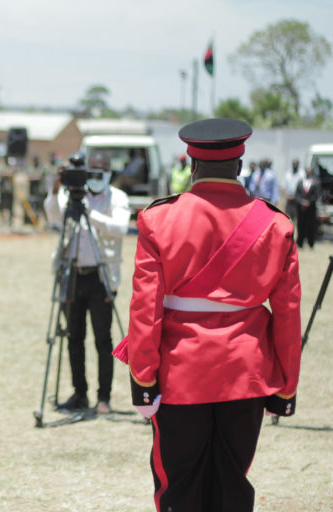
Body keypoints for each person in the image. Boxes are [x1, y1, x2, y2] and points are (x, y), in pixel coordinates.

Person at [121, 118, 301, 512]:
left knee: (179, 488)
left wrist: (143, 377)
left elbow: (145, 306)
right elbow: (287, 315)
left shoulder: (158, 219)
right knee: (233, 483)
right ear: (239, 165)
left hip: (180, 373)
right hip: (247, 374)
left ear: (191, 162)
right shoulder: (276, 224)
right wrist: (286, 386)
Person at [44, 153, 130, 414]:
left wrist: (89, 213)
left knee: (103, 339)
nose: (94, 177)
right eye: (90, 172)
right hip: (72, 274)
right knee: (74, 337)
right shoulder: (70, 195)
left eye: (100, 171)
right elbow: (53, 216)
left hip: (101, 277)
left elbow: (120, 227)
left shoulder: (117, 197)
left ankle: (104, 397)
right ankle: (79, 393)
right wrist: (56, 188)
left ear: (108, 173)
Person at [295, 165, 320, 248]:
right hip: (301, 208)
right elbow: (297, 194)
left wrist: (308, 202)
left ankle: (311, 242)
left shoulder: (315, 183)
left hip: (311, 208)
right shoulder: (300, 182)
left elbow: (316, 195)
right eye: (307, 171)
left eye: (310, 171)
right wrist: (301, 202)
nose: (308, 172)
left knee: (311, 225)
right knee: (301, 224)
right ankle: (300, 242)